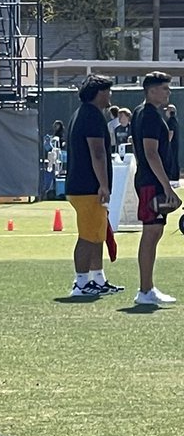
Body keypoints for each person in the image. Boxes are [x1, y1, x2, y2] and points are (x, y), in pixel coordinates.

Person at [64, 74, 123, 298]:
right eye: (108, 91)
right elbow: (97, 152)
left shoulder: (84, 114)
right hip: (87, 186)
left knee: (97, 233)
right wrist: (104, 185)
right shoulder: (91, 116)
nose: (110, 95)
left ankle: (97, 278)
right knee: (88, 235)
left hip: (83, 186)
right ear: (99, 93)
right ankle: (80, 283)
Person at [130, 71, 180, 306]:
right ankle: (145, 290)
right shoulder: (148, 114)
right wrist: (165, 186)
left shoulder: (145, 113)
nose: (168, 92)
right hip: (151, 182)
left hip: (150, 180)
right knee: (151, 233)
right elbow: (150, 153)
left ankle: (147, 288)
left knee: (155, 232)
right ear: (151, 90)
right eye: (164, 88)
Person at [165, 103, 180, 183]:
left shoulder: (171, 121)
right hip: (174, 144)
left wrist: (166, 143)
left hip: (171, 145)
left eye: (167, 110)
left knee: (172, 160)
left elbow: (170, 133)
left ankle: (173, 177)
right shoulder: (175, 120)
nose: (165, 112)